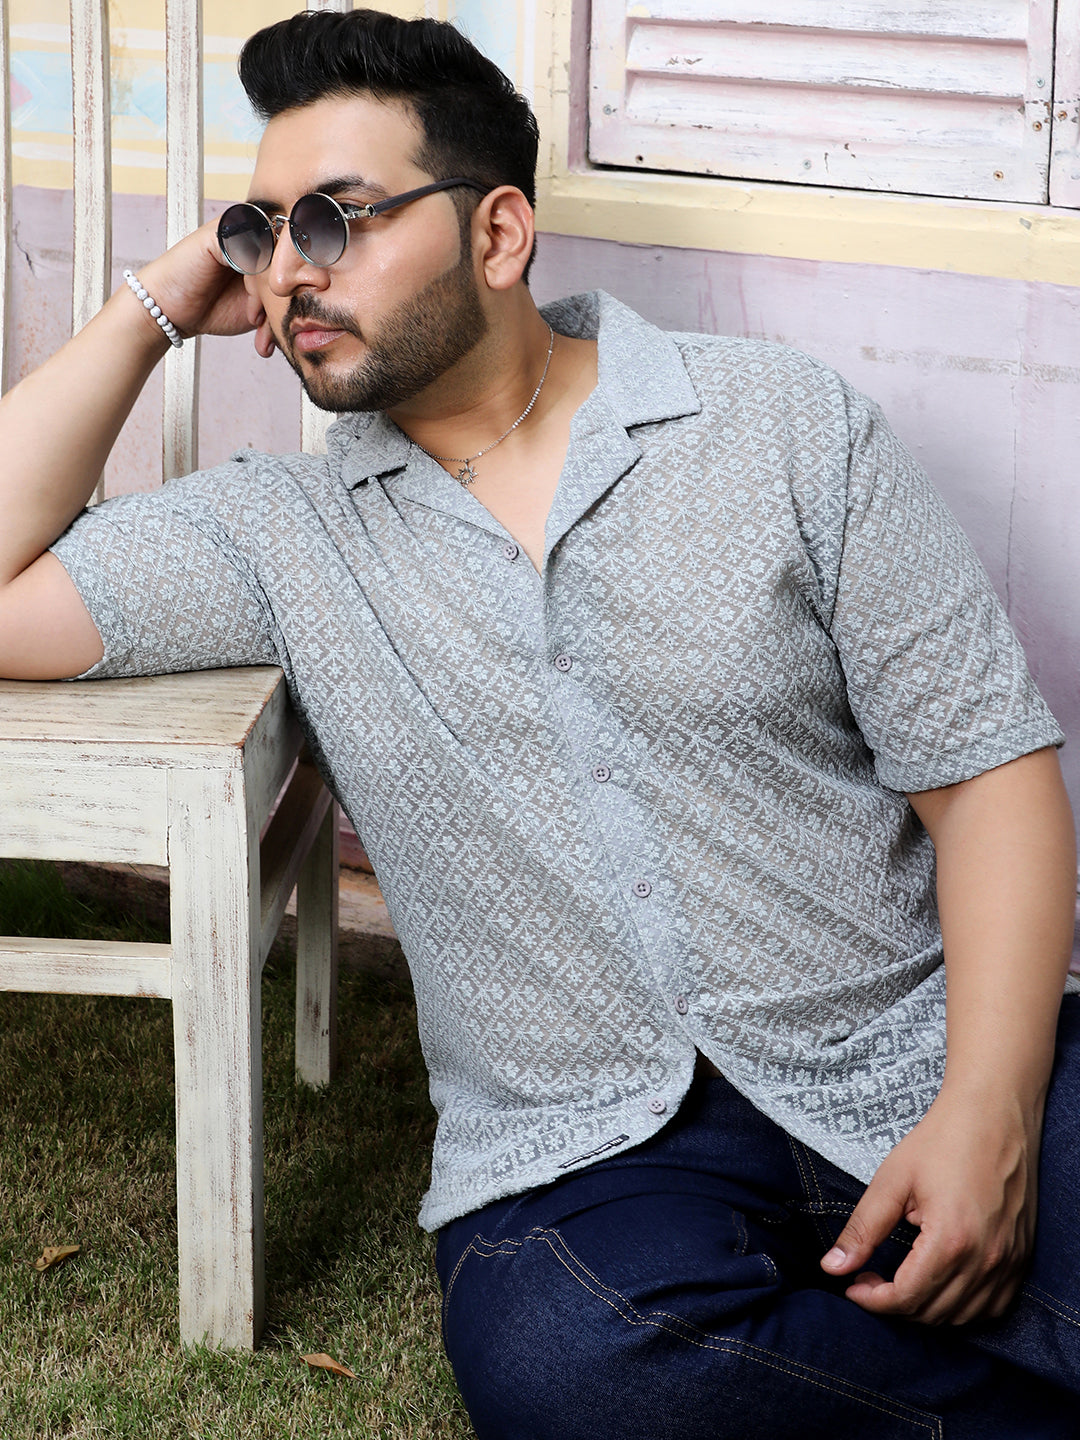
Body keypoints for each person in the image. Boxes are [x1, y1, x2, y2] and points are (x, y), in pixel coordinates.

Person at [1, 9, 1078, 1436]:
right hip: (587, 1147)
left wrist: (989, 1114)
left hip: (900, 1040)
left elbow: (988, 778)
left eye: (335, 216)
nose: (290, 270)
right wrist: (163, 291)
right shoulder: (278, 531)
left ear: (497, 233)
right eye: (263, 230)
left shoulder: (783, 427)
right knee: (578, 1366)